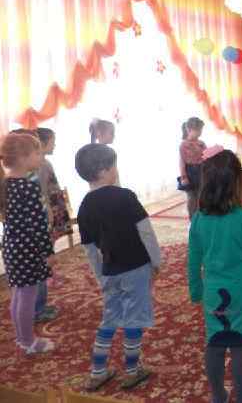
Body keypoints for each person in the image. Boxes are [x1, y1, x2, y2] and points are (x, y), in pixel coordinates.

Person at [188, 146, 242, 403]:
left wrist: (196, 291)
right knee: (240, 346)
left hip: (214, 294)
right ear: (238, 183)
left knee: (215, 343)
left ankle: (218, 395)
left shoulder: (198, 219)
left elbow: (193, 261)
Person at [75, 143, 161, 391]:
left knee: (109, 319)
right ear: (104, 170)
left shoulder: (84, 207)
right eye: (114, 166)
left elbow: (90, 249)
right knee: (134, 319)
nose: (116, 170)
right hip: (136, 268)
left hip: (110, 271)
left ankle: (98, 372)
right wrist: (156, 261)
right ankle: (133, 371)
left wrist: (100, 276)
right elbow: (146, 231)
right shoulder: (125, 196)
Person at [0, 133, 56, 354]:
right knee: (27, 296)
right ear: (23, 158)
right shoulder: (28, 187)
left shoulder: (6, 184)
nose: (40, 157)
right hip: (28, 249)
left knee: (19, 294)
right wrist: (48, 252)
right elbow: (37, 225)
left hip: (12, 247)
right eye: (37, 153)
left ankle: (22, 337)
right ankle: (29, 342)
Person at [34, 127, 71, 323]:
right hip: (45, 216)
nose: (55, 144)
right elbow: (41, 193)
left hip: (48, 214)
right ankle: (38, 308)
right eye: (52, 141)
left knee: (44, 262)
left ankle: (40, 305)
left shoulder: (44, 163)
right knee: (42, 262)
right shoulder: (40, 165)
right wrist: (48, 213)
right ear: (42, 143)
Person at [179, 117, 206, 218]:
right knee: (191, 197)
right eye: (198, 130)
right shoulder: (183, 144)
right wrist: (184, 177)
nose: (200, 132)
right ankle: (192, 219)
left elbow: (206, 156)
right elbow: (182, 162)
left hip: (201, 171)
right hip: (189, 172)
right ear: (189, 130)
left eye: (201, 130)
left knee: (201, 196)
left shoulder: (201, 143)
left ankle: (201, 218)